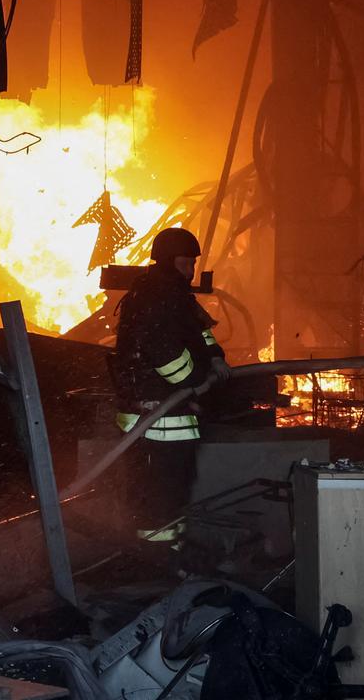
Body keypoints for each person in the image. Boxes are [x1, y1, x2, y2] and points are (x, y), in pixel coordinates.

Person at [112, 227, 231, 553]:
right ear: (167, 261)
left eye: (193, 263)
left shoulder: (175, 296)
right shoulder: (155, 297)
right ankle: (157, 558)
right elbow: (165, 353)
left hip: (168, 416)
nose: (191, 270)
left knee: (175, 489)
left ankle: (174, 549)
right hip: (157, 420)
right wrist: (195, 382)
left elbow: (199, 333)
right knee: (159, 493)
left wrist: (216, 357)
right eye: (185, 263)